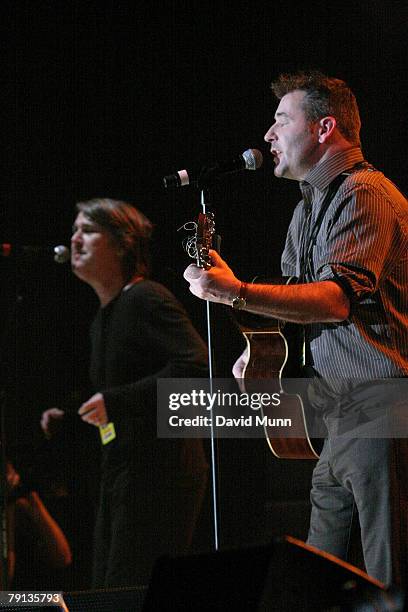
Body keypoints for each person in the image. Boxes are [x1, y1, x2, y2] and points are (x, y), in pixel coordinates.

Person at [183, 70, 408, 586]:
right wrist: (258, 351)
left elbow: (332, 302)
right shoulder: (308, 207)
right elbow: (296, 304)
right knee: (316, 579)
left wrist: (235, 291)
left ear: (324, 128)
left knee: (389, 574)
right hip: (341, 415)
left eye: (281, 119)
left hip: (380, 406)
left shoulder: (365, 194)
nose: (268, 135)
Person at [41, 198, 209, 588]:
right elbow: (120, 392)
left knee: (129, 588)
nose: (75, 239)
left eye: (88, 230)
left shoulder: (145, 298)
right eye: (74, 230)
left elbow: (195, 366)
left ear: (121, 243)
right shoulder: (107, 315)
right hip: (125, 470)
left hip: (159, 473)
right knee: (110, 585)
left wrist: (113, 402)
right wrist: (70, 417)